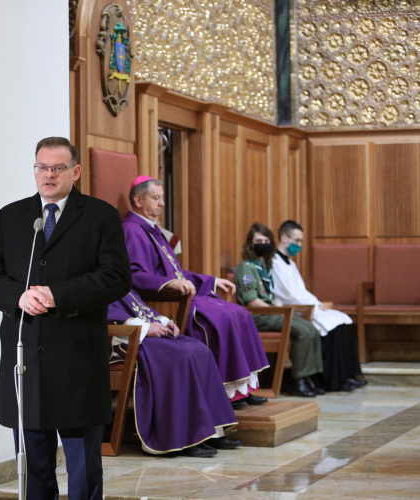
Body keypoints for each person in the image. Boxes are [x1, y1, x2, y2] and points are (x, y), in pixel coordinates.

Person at [0, 137, 131, 500]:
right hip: (26, 360)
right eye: (41, 167)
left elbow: (116, 277)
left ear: (75, 171)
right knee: (35, 470)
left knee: (83, 470)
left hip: (76, 359)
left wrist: (58, 295)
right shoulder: (13, 216)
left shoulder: (99, 216)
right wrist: (19, 296)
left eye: (57, 168)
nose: (48, 175)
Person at [123, 176, 270, 410]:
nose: (162, 203)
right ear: (138, 200)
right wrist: (167, 285)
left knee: (239, 312)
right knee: (222, 317)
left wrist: (212, 282)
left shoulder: (152, 230)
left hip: (179, 295)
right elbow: (133, 276)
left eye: (162, 198)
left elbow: (177, 273)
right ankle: (226, 392)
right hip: (162, 302)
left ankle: (242, 388)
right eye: (156, 198)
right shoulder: (131, 230)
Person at [109, 291, 240, 457]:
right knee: (177, 356)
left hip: (139, 335)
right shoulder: (93, 278)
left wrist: (162, 321)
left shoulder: (117, 281)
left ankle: (211, 432)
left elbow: (139, 307)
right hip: (118, 341)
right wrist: (144, 327)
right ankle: (182, 437)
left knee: (200, 350)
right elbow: (103, 313)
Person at [271, 220, 366, 392]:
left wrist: (317, 304)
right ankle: (331, 381)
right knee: (330, 325)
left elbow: (302, 291)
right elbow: (288, 294)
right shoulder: (274, 262)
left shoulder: (290, 263)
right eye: (297, 241)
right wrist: (312, 307)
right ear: (284, 238)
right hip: (295, 309)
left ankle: (347, 377)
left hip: (306, 306)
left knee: (343, 320)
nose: (299, 245)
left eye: (301, 241)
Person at [234, 222, 324, 398]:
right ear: (250, 244)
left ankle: (310, 378)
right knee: (303, 332)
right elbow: (252, 301)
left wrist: (276, 306)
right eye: (259, 240)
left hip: (270, 312)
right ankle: (299, 381)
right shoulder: (247, 267)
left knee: (311, 329)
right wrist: (275, 310)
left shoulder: (265, 267)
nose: (264, 243)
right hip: (257, 316)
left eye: (267, 240)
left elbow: (270, 294)